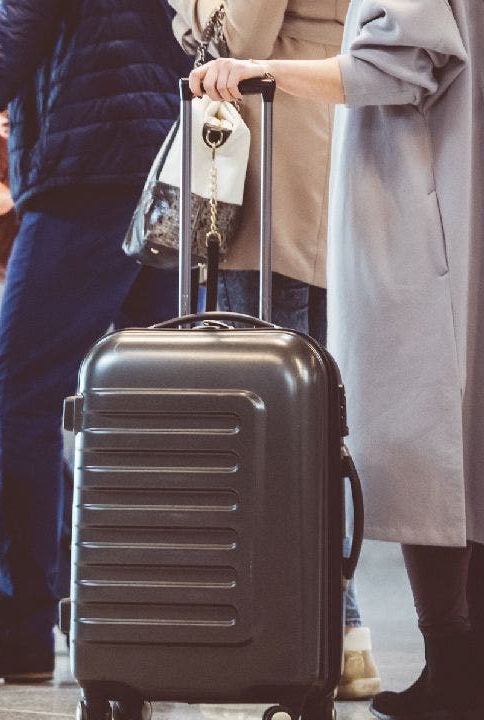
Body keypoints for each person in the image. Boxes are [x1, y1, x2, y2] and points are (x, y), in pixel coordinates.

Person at [0, 0, 188, 680]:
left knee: (19, 395)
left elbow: (9, 47)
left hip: (87, 174)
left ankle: (23, 630)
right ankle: (151, 624)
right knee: (151, 405)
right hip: (166, 170)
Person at [189, 0, 482, 716]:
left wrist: (262, 70)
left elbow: (398, 63)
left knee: (423, 443)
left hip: (419, 203)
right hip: (443, 197)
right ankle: (458, 667)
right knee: (457, 448)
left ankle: (455, 668)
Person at [168, 0, 381, 701]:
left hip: (269, 182)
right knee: (323, 423)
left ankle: (289, 633)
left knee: (265, 429)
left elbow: (236, 36)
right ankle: (343, 632)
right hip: (328, 160)